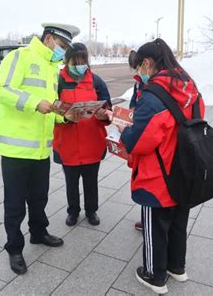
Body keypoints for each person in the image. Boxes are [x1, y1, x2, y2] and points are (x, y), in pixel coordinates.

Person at [117, 38, 205, 294]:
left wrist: (123, 132)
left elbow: (139, 139)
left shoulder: (154, 94)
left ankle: (154, 275)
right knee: (178, 221)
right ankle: (177, 268)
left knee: (155, 226)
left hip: (159, 173)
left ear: (147, 63)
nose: (140, 73)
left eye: (140, 67)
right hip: (186, 168)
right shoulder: (189, 86)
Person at [0, 23, 80, 275]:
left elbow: (48, 108)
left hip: (41, 149)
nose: (62, 53)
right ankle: (14, 248)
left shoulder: (52, 68)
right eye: (61, 47)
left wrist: (65, 116)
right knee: (15, 203)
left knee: (40, 197)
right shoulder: (19, 56)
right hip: (15, 150)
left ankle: (39, 233)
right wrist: (33, 103)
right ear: (49, 39)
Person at [53, 43, 112, 227]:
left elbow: (108, 110)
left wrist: (104, 115)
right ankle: (73, 211)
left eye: (82, 61)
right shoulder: (58, 82)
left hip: (92, 142)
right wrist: (67, 116)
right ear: (66, 61)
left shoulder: (96, 82)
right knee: (71, 182)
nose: (79, 65)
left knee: (91, 180)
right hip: (67, 143)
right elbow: (51, 111)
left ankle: (91, 210)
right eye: (75, 62)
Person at [128, 50, 145, 232]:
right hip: (139, 131)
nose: (137, 72)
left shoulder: (156, 84)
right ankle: (145, 216)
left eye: (138, 68)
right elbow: (134, 102)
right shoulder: (139, 82)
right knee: (140, 177)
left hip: (148, 137)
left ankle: (150, 219)